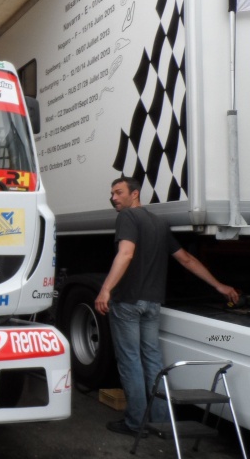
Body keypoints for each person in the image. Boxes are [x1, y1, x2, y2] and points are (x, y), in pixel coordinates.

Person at [94, 176, 239, 437]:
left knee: (130, 362)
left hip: (128, 302)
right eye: (112, 193)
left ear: (134, 194)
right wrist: (218, 285)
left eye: (118, 192)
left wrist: (105, 289)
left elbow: (125, 253)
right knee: (152, 359)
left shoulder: (128, 218)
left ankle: (136, 422)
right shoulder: (159, 223)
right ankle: (160, 421)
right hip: (152, 303)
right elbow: (185, 259)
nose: (114, 198)